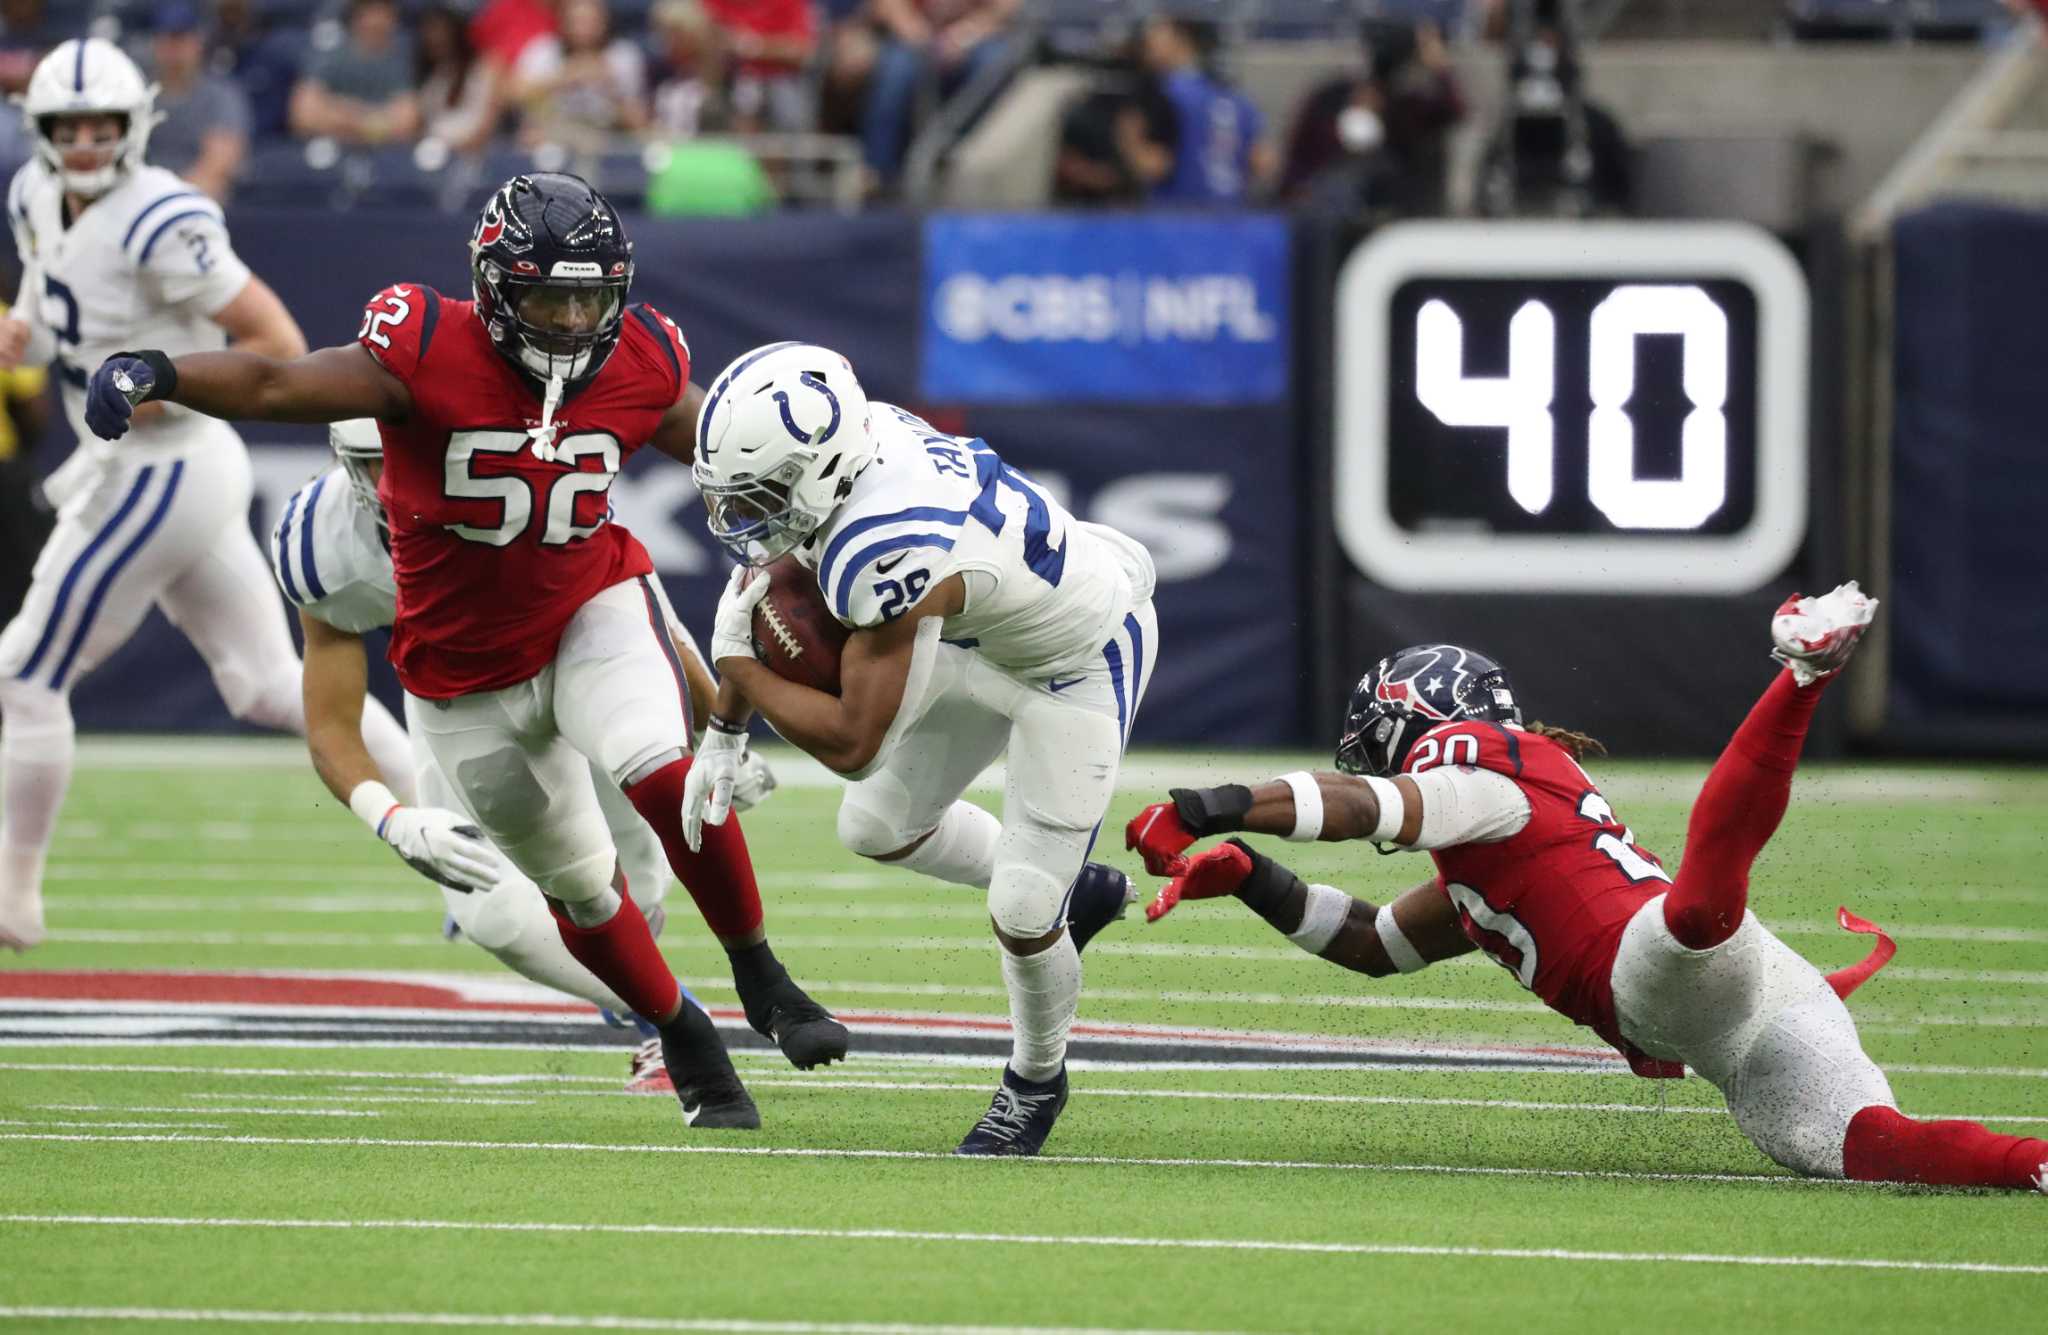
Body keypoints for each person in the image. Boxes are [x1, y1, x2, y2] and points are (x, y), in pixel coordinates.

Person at [82, 172, 848, 1128]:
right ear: (493, 290)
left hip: (584, 610)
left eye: (588, 295)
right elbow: (278, 380)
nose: (571, 319)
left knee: (662, 773)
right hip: (462, 682)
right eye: (547, 295)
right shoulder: (410, 374)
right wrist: (161, 368)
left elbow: (731, 446)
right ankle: (679, 1028)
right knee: (575, 885)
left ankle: (761, 973)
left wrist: (839, 493)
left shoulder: (639, 357)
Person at [1128, 586, 2048, 1194]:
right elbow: (1373, 943)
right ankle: (2038, 1164)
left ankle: (1802, 672)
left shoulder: (1482, 775)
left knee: (1690, 916)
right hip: (1743, 1020)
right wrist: (1252, 877)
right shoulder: (1487, 862)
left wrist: (1215, 808)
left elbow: (1372, 804)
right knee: (1869, 1145)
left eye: (1379, 733)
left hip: (1659, 964)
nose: (1370, 752)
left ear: (1421, 721)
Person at [688, 344, 1155, 1155]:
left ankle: (1036, 1079)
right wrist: (724, 728)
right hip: (984, 629)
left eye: (758, 493)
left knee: (1018, 909)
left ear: (817, 469)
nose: (741, 515)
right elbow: (765, 587)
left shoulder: (884, 540)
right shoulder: (861, 443)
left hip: (1078, 658)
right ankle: (1076, 891)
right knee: (876, 826)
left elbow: (852, 743)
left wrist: (733, 669)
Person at [0, 38, 391, 953]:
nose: (89, 141)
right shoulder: (30, 193)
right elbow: (57, 289)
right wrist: (26, 326)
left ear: (138, 126)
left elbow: (277, 337)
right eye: (70, 127)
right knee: (263, 682)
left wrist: (155, 381)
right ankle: (435, 817)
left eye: (104, 125)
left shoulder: (161, 214)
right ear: (43, 130)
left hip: (161, 462)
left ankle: (10, 902)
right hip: (150, 467)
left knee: (23, 675)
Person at [272, 418, 780, 1093]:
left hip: (578, 652)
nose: (401, 478)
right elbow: (332, 723)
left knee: (637, 867)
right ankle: (666, 1021)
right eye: (381, 462)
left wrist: (718, 725)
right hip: (455, 691)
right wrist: (390, 817)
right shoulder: (323, 543)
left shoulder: (514, 484)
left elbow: (637, 592)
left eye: (414, 451)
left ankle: (692, 979)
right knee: (494, 908)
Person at [861, 0, 1020, 189]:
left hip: (976, 37)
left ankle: (957, 162)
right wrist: (914, 30)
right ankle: (879, 172)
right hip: (916, 35)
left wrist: (967, 34)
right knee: (895, 70)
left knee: (993, 63)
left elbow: (1005, 7)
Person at [1138, 15, 1272, 207]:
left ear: (1181, 40)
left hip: (1175, 216)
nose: (1147, 43)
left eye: (1156, 36)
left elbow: (1156, 164)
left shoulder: (1163, 95)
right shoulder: (1237, 98)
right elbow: (1262, 162)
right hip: (1232, 214)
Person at [147, 0, 253, 201]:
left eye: (181, 39)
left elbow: (220, 163)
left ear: (198, 42)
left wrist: (168, 202)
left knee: (215, 185)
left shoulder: (221, 94)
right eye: (167, 39)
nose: (174, 49)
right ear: (156, 44)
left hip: (197, 201)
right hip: (144, 195)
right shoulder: (139, 95)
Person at [513, 0, 648, 152]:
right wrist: (564, 78)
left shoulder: (623, 56)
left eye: (592, 21)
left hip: (607, 138)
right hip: (553, 137)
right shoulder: (544, 51)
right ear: (564, 22)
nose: (585, 29)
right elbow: (515, 95)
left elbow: (640, 122)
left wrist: (610, 87)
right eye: (577, 21)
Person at [288, 0, 420, 147]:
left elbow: (407, 123)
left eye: (384, 15)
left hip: (386, 153)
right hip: (330, 148)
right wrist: (376, 120)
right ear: (355, 18)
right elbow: (304, 116)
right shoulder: (330, 55)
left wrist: (341, 112)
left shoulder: (400, 61)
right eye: (369, 14)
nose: (376, 21)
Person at [703, 0, 816, 133]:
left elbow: (802, 52)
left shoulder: (789, 3)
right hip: (731, 77)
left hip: (781, 78)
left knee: (788, 108)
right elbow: (701, 27)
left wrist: (756, 47)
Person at [415, 4, 500, 157]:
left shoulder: (484, 68)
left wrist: (458, 150)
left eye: (442, 31)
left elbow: (486, 125)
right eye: (430, 31)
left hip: (472, 154)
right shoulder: (431, 75)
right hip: (434, 153)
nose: (435, 38)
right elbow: (422, 124)